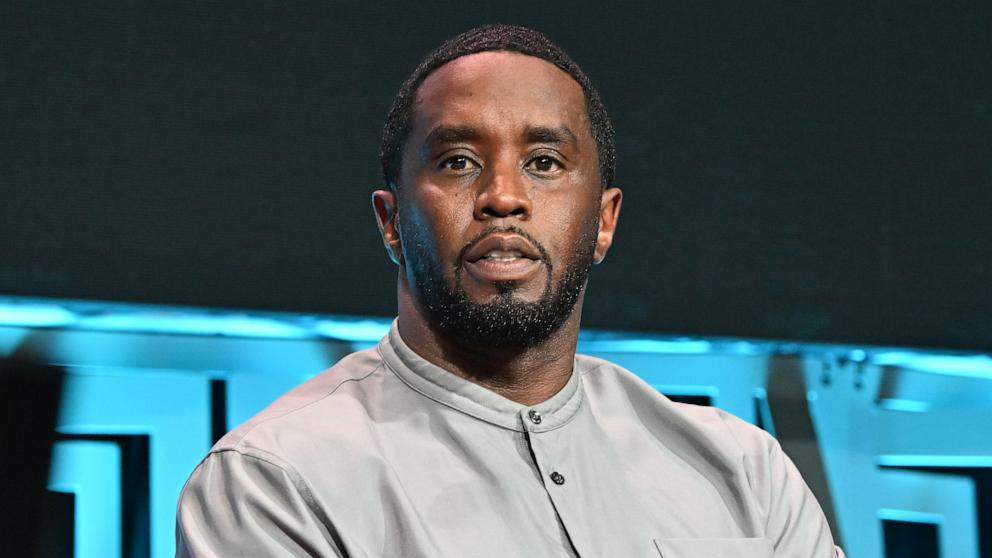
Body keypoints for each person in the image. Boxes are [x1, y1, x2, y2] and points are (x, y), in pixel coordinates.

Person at [176, 24, 843, 557]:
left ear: (604, 220)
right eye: (459, 161)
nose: (503, 197)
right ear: (390, 221)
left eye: (545, 163)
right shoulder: (276, 480)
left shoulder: (742, 470)